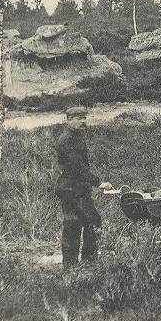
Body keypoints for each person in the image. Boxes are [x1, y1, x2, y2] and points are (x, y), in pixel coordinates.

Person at [55, 107, 111, 269]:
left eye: (84, 118)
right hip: (71, 190)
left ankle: (83, 261)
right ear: (69, 119)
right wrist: (98, 183)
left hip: (76, 188)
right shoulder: (67, 140)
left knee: (87, 221)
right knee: (78, 224)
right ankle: (76, 264)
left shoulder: (75, 136)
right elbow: (76, 168)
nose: (83, 121)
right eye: (79, 118)